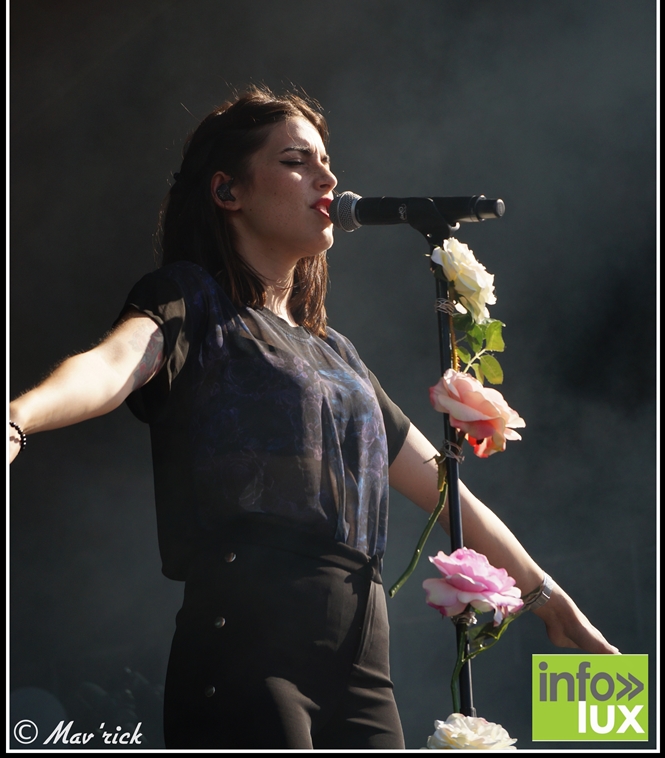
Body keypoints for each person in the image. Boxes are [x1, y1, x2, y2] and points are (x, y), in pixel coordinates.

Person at [9, 86, 618, 750]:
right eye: (296, 161)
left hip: (362, 661)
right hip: (248, 647)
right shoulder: (193, 300)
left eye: (327, 162)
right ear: (227, 191)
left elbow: (449, 494)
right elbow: (113, 364)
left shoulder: (338, 356)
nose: (327, 179)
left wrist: (550, 601)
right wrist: (18, 418)